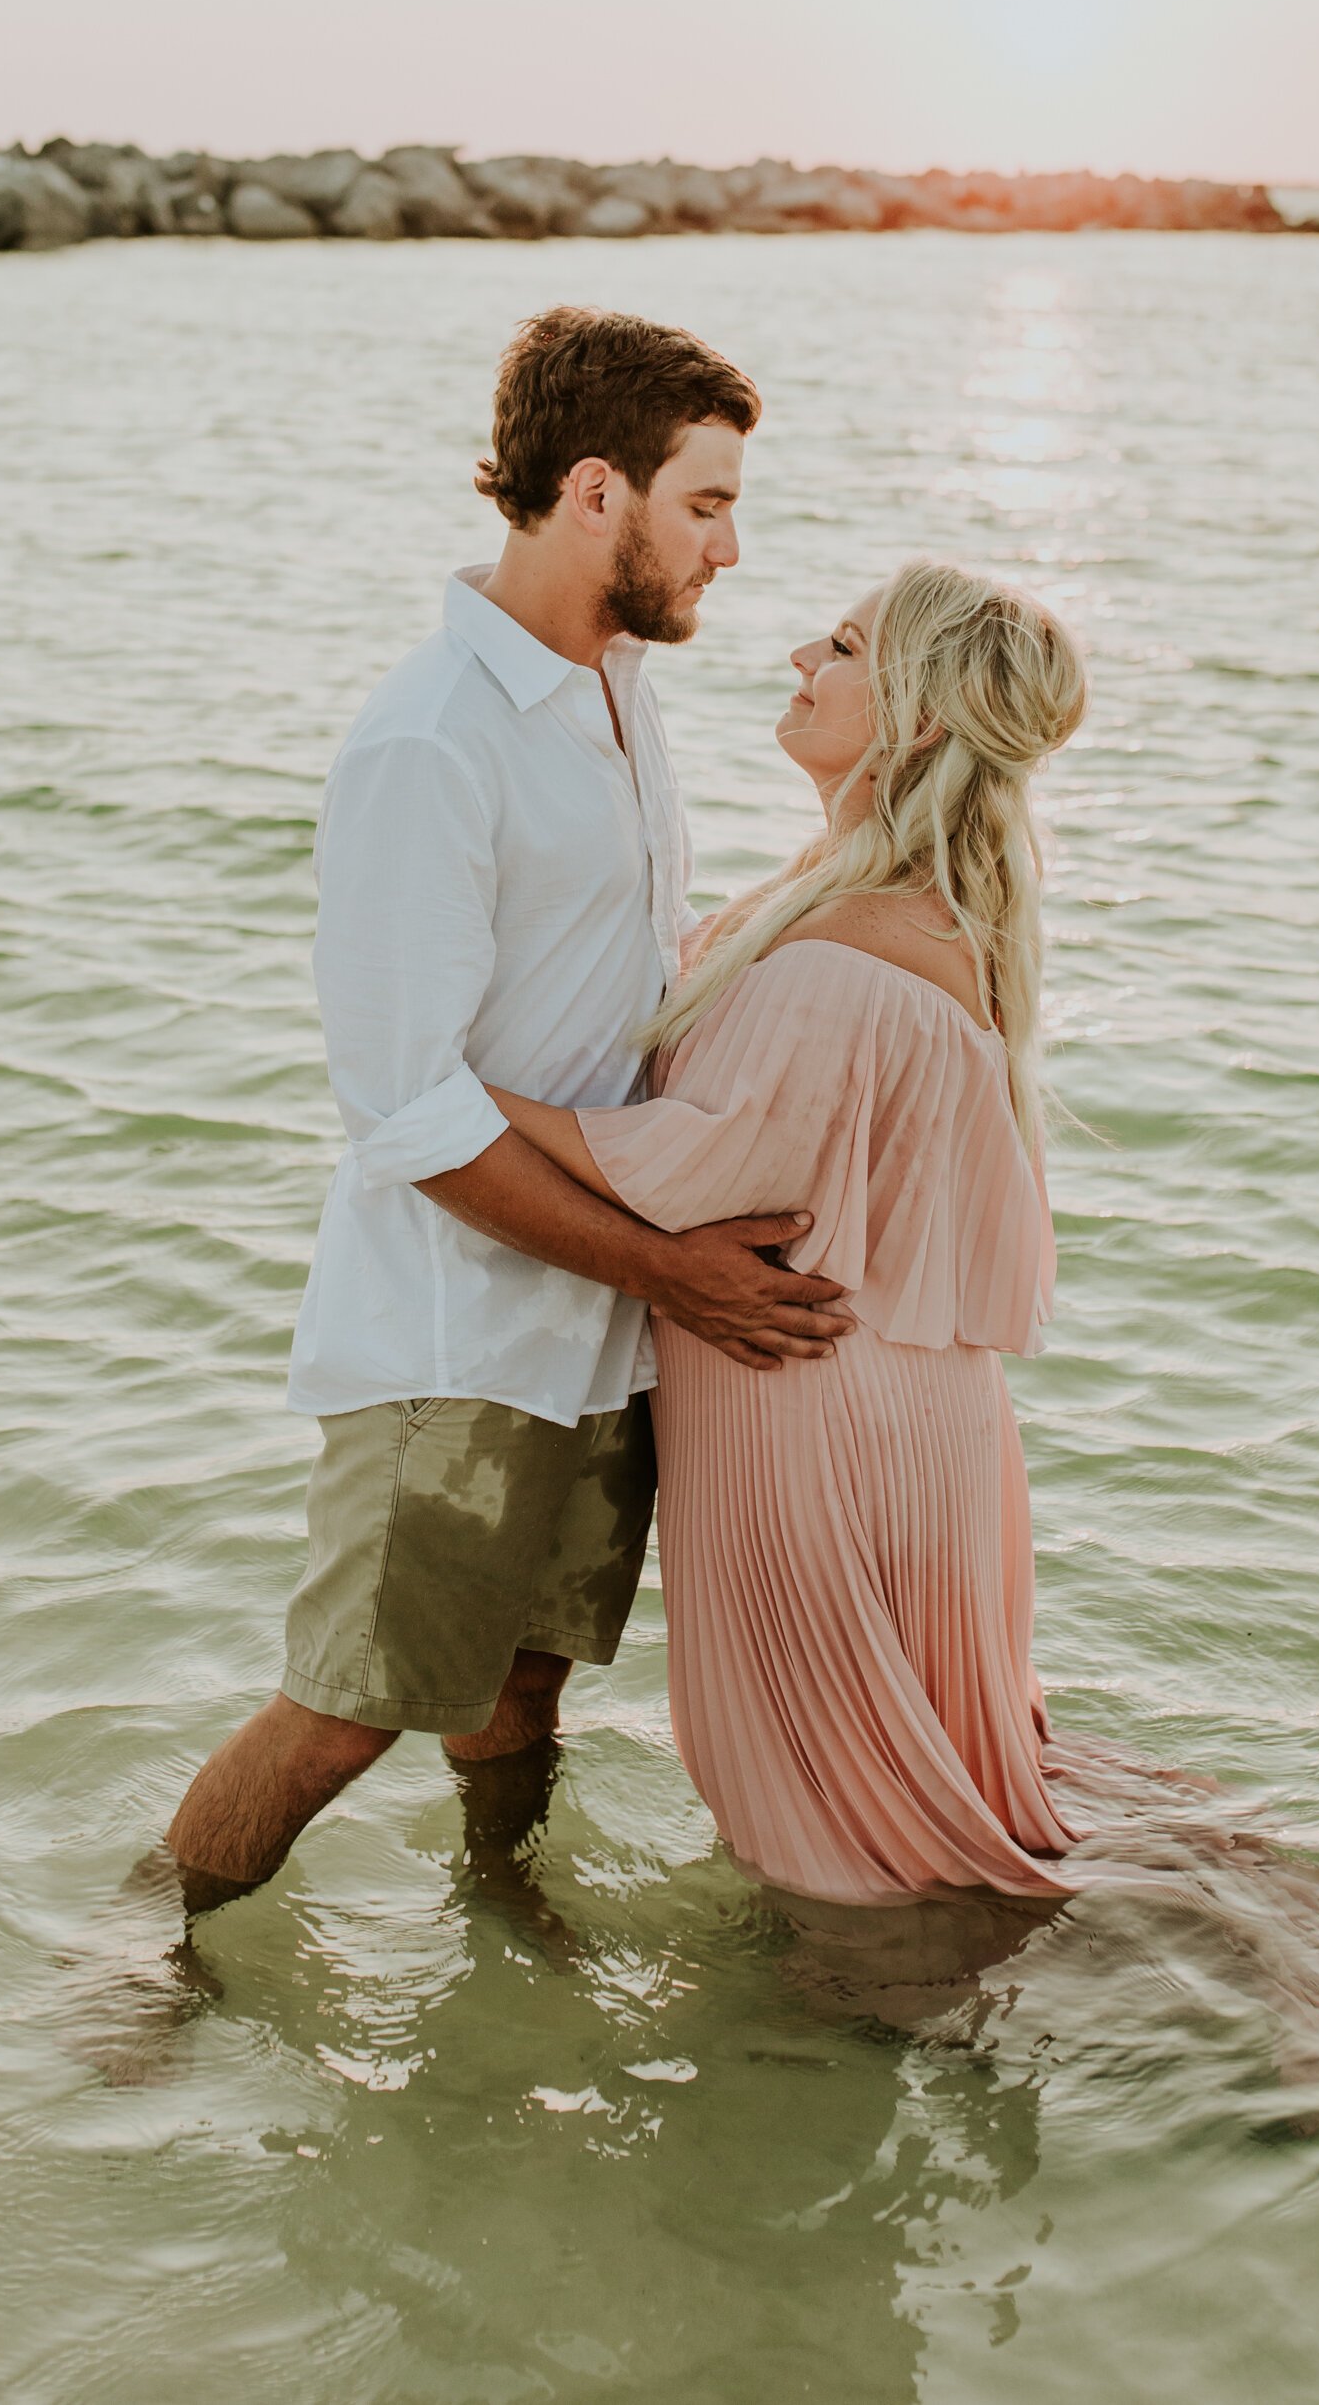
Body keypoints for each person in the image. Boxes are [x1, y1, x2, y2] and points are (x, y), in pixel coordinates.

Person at [155, 307, 854, 1919]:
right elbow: (406, 1106)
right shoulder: (430, 741)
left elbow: (617, 981)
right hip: (457, 1337)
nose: (733, 550)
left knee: (525, 1687)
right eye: (708, 503)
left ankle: (503, 1924)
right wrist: (674, 1271)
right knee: (346, 1711)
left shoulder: (617, 689)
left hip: (598, 1329)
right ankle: (145, 1970)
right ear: (597, 492)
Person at [487, 557, 1090, 1902]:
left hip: (815, 1418)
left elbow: (686, 1178)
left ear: (920, 713)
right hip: (894, 1406)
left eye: (837, 648)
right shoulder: (889, 899)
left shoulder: (842, 950)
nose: (798, 666)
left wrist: (440, 1085)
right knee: (891, 1810)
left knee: (839, 1857)